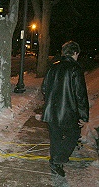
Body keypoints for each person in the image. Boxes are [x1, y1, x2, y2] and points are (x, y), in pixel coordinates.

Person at [41, 41, 89, 177]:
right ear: (75, 53)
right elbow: (80, 95)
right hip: (68, 112)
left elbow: (44, 88)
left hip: (52, 111)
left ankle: (55, 161)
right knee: (72, 136)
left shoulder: (53, 67)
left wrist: (52, 100)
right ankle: (58, 160)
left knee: (55, 137)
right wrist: (84, 116)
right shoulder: (75, 69)